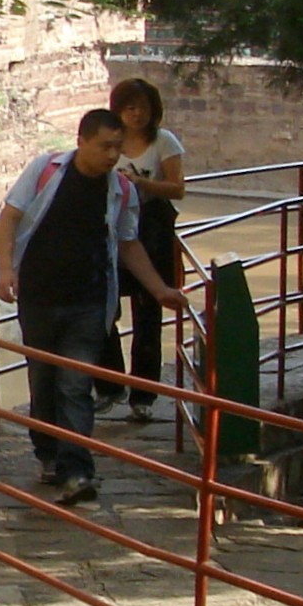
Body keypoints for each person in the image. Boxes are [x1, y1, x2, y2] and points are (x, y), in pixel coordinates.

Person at [0, 110, 190, 504]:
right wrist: (6, 271)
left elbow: (129, 245)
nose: (113, 155)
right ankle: (48, 454)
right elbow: (10, 217)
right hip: (40, 297)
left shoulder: (122, 191)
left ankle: (77, 471)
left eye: (118, 147)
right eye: (105, 147)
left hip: (89, 301)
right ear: (81, 141)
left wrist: (159, 289)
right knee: (43, 382)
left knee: (76, 384)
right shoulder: (45, 171)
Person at [99, 77, 188, 421]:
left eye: (143, 108)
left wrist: (142, 184)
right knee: (104, 308)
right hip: (112, 230)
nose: (136, 115)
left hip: (152, 230)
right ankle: (110, 385)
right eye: (129, 107)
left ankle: (144, 396)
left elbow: (177, 189)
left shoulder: (164, 142)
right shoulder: (111, 142)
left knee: (149, 313)